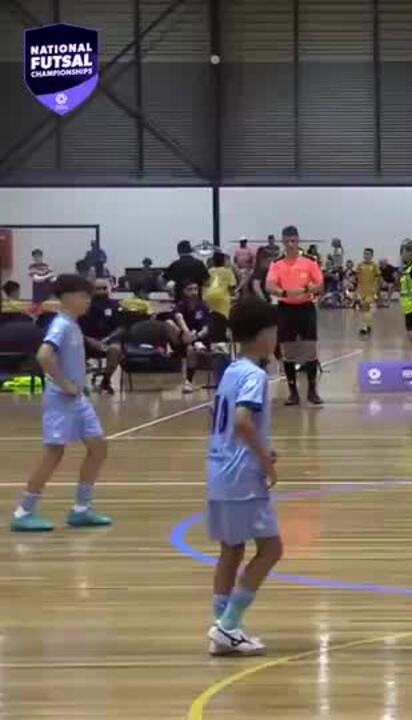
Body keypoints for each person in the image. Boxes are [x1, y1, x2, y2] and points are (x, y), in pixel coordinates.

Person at [204, 296, 283, 657]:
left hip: (219, 469)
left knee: (231, 549)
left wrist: (260, 447)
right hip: (242, 476)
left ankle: (223, 627)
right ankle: (229, 625)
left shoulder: (231, 370)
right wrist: (265, 459)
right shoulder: (254, 375)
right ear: (264, 333)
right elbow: (242, 420)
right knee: (270, 549)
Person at [11, 274, 113, 532]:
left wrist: (79, 385)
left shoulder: (73, 324)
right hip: (61, 400)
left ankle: (81, 509)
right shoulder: (61, 325)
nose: (88, 300)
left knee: (98, 447)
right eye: (84, 295)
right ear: (68, 297)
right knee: (54, 452)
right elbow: (44, 356)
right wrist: (65, 384)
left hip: (79, 399)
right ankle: (24, 512)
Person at [265, 226, 325, 406]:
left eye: (294, 241)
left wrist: (306, 289)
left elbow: (320, 284)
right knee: (288, 351)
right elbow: (269, 285)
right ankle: (293, 393)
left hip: (305, 308)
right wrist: (283, 293)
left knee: (309, 348)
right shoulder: (277, 263)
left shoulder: (309, 261)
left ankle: (312, 391)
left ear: (298, 241)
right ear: (283, 242)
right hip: (286, 309)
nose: (290, 245)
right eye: (287, 241)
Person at [80, 278, 124, 394]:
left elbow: (122, 327)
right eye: (98, 289)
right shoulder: (84, 307)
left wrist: (108, 339)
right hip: (88, 342)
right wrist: (91, 341)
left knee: (115, 349)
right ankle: (80, 384)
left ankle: (106, 381)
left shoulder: (116, 305)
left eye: (104, 288)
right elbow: (77, 330)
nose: (102, 291)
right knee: (75, 347)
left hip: (109, 341)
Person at [169, 281, 213, 394]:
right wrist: (187, 333)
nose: (193, 292)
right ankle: (179, 347)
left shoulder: (203, 306)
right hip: (184, 337)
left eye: (195, 289)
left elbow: (206, 328)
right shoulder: (180, 305)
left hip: (199, 340)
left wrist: (196, 336)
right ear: (184, 291)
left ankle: (188, 381)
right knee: (169, 323)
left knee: (190, 349)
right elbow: (179, 318)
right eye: (190, 289)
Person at [354, 248, 380, 337]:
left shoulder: (374, 266)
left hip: (371, 291)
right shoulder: (359, 265)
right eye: (365, 254)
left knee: (367, 307)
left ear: (372, 256)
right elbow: (356, 278)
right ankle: (367, 325)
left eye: (368, 254)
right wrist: (356, 291)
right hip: (361, 291)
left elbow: (377, 278)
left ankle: (364, 327)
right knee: (363, 309)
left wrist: (376, 290)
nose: (366, 256)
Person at [205, 253, 238, 320]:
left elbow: (206, 284)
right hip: (222, 296)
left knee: (212, 316)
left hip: (209, 296)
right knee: (224, 317)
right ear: (223, 261)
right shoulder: (228, 271)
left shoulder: (209, 271)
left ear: (213, 262)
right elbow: (232, 286)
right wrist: (233, 295)